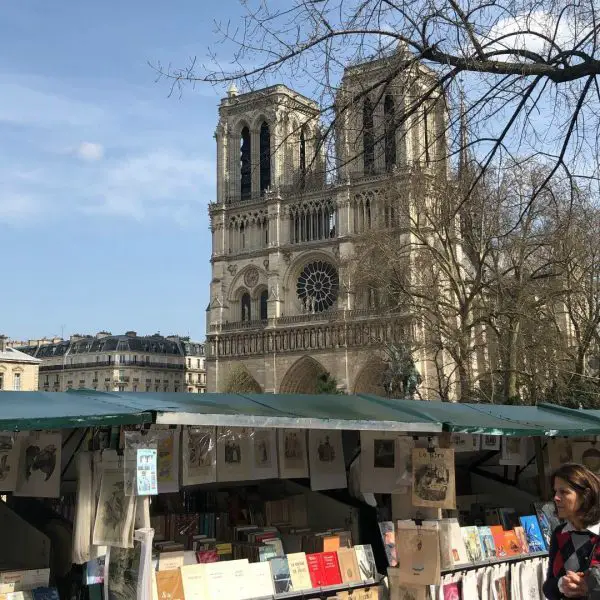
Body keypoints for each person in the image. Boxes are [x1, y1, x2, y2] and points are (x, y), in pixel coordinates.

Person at [543, 463, 600, 599]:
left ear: (585, 496)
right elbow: (548, 587)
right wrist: (561, 584)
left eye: (564, 492)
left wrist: (588, 587)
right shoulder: (559, 533)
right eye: (555, 491)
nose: (556, 497)